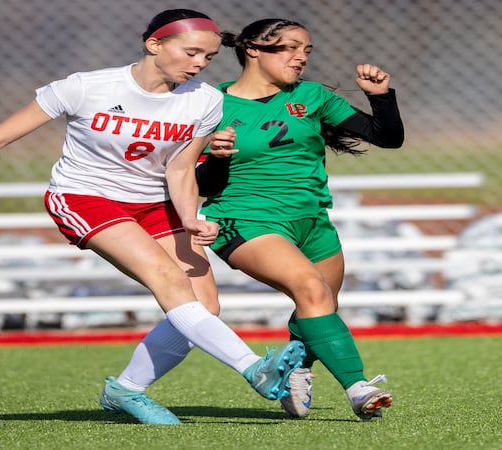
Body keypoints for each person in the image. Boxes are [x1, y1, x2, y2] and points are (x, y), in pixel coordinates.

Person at [0, 9, 305, 425]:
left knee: (204, 304)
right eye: (191, 53)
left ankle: (126, 390)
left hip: (154, 201)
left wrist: (189, 217)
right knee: (168, 278)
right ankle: (253, 369)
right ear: (154, 45)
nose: (199, 64)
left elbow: (181, 168)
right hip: (85, 196)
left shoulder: (205, 100)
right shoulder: (86, 87)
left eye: (207, 58)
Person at [111, 18, 405, 421]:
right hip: (243, 220)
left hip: (312, 222)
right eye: (289, 48)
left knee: (319, 305)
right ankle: (359, 388)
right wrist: (215, 157)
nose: (300, 57)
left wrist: (382, 97)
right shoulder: (209, 103)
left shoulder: (312, 96)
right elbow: (198, 183)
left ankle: (297, 370)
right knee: (310, 290)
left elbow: (387, 137)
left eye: (307, 50)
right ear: (253, 49)